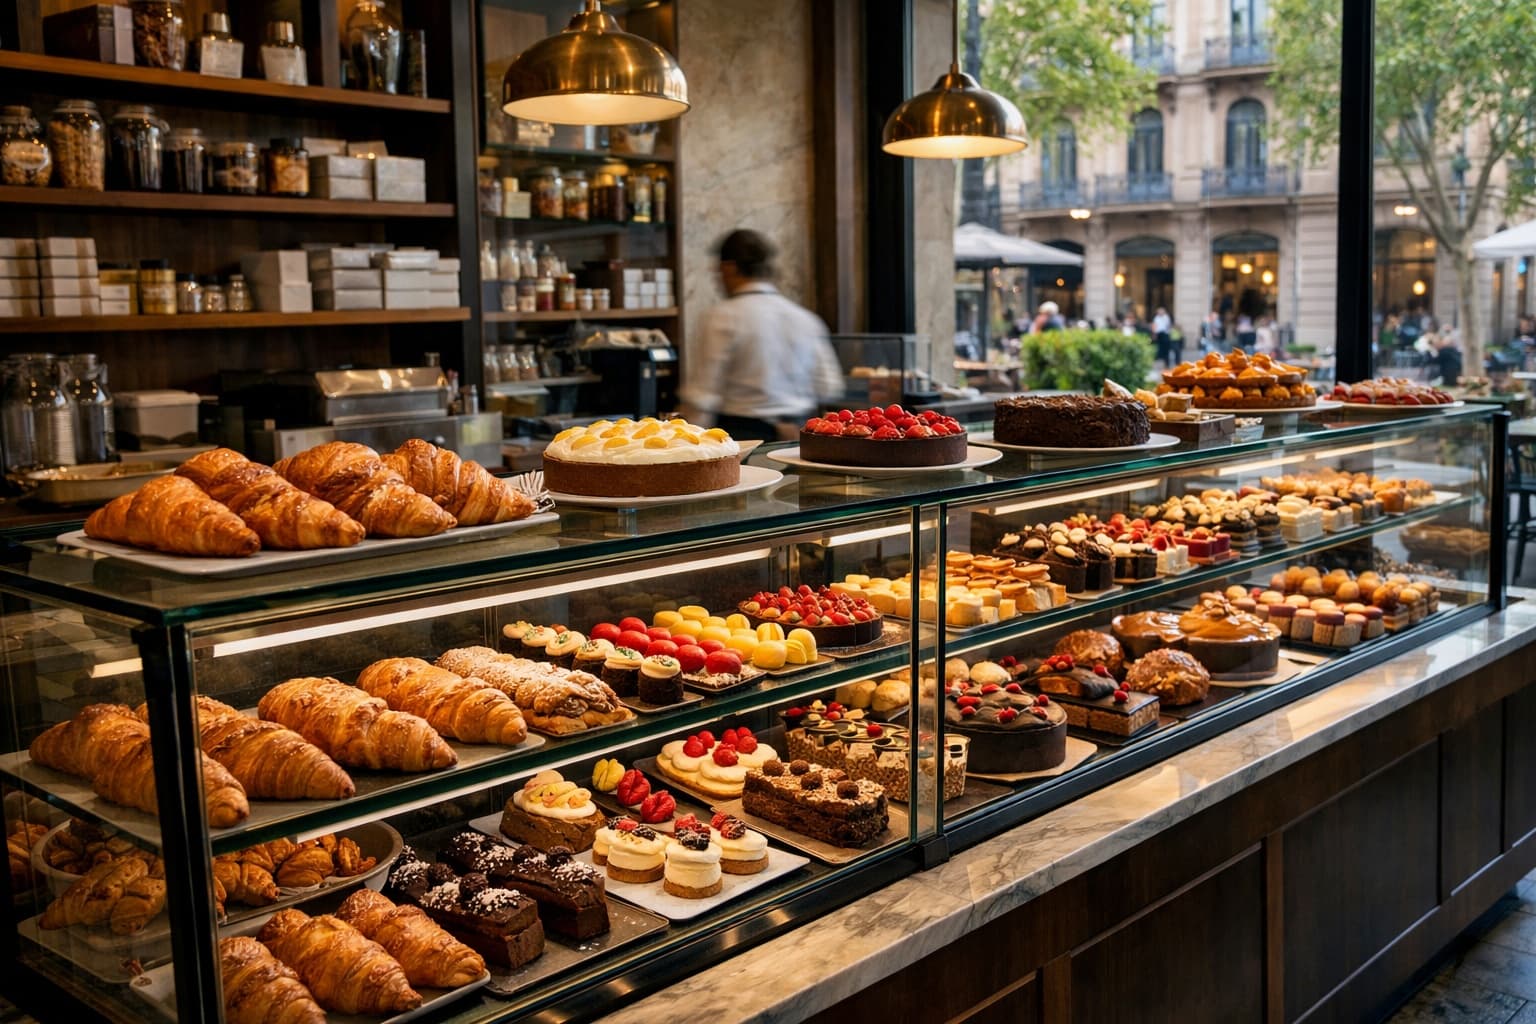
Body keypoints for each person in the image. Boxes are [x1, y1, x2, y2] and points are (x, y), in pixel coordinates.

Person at [678, 229, 843, 442]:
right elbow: (829, 386)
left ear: (729, 267)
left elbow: (702, 396)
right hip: (801, 435)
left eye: (717, 272)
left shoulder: (721, 317)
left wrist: (688, 441)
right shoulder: (806, 319)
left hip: (745, 436)